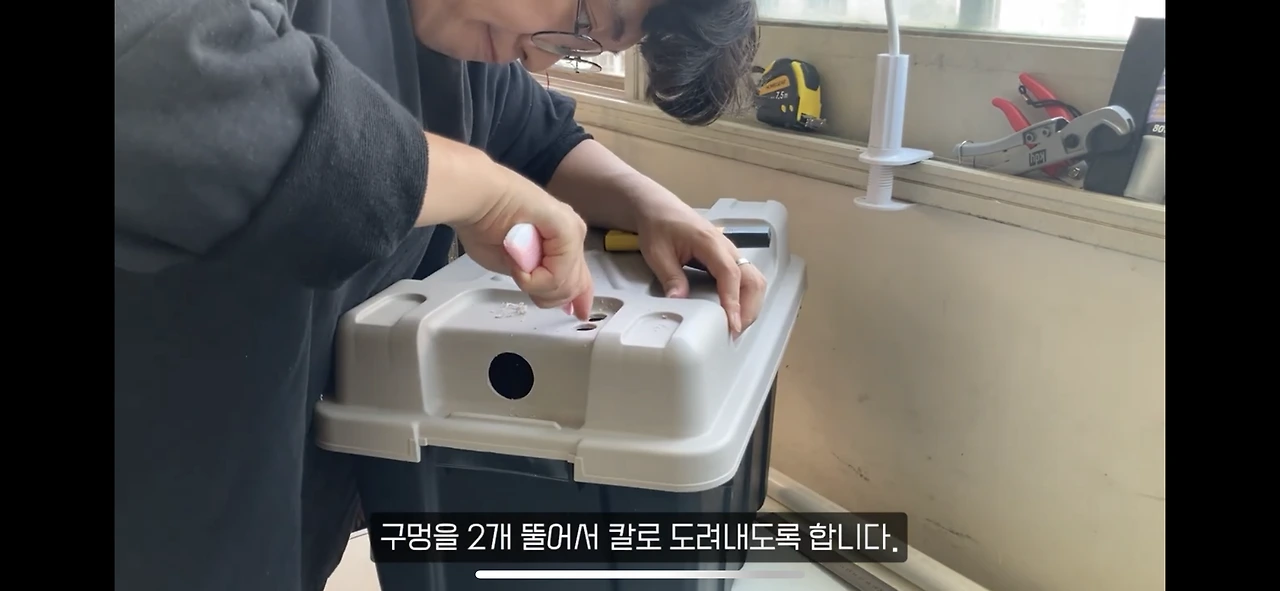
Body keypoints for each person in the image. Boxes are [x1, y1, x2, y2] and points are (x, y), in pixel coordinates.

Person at [114, 0, 764, 590]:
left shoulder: (464, 51)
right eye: (585, 19)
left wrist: (652, 206)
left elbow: (541, 140)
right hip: (155, 492)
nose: (542, 59)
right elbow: (167, 74)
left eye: (585, 46)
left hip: (281, 499)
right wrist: (477, 189)